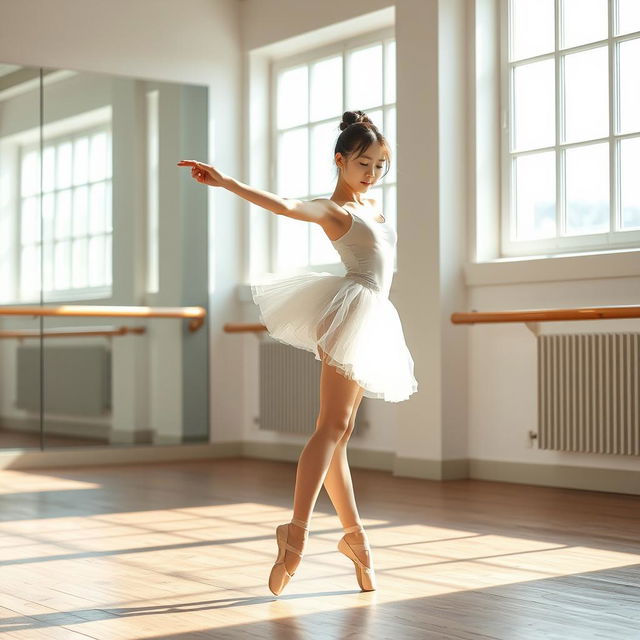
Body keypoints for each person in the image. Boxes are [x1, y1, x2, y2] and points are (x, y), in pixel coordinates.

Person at [178, 109, 418, 596]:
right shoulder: (336, 211)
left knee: (340, 432)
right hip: (352, 311)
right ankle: (298, 531)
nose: (371, 173)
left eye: (379, 166)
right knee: (331, 427)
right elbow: (286, 206)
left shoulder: (374, 209)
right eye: (363, 164)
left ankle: (354, 537)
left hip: (371, 313)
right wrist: (228, 183)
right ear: (340, 161)